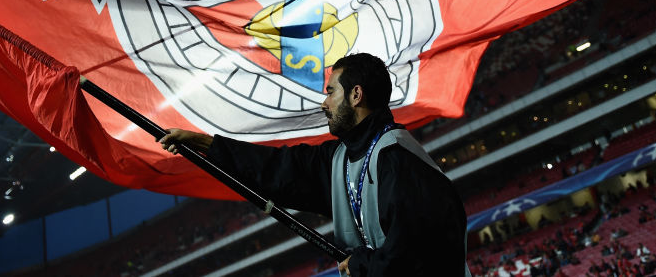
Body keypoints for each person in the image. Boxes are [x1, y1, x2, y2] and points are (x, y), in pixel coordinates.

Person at [159, 52, 471, 276]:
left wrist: (363, 265)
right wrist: (206, 145)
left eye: (331, 91)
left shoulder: (397, 157)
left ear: (356, 95)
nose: (324, 103)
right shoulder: (340, 159)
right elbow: (277, 169)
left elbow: (420, 254)